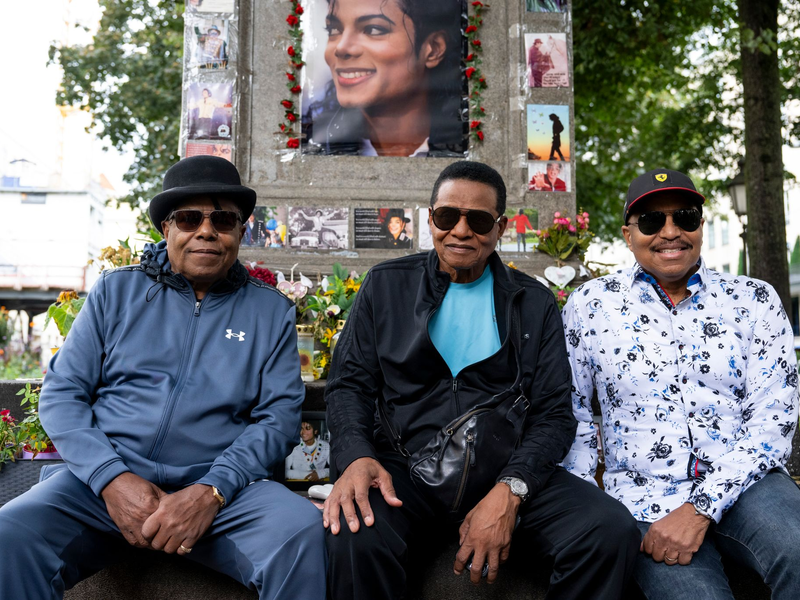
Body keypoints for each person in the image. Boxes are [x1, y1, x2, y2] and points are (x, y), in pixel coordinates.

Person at [0, 156, 326, 599]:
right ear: (166, 229)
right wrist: (111, 478)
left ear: (240, 232)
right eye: (189, 218)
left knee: (301, 534)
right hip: (98, 491)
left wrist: (212, 490)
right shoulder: (117, 291)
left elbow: (278, 419)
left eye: (223, 220)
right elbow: (62, 393)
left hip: (220, 495)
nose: (206, 231)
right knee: (11, 535)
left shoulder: (269, 311)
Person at [324, 161, 639, 599]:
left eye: (478, 220)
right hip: (404, 470)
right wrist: (356, 457)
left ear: (500, 227)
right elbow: (349, 386)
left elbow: (553, 415)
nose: (460, 231)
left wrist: (510, 491)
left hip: (501, 470)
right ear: (429, 217)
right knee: (355, 531)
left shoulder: (533, 301)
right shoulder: (385, 285)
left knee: (609, 531)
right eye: (447, 216)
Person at [561, 168, 800, 600]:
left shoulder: (755, 299)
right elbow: (573, 411)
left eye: (685, 217)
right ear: (628, 233)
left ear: (701, 226)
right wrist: (584, 510)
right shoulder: (589, 305)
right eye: (652, 221)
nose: (670, 232)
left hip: (748, 483)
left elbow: (774, 418)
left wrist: (701, 508)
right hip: (643, 498)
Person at [303, 0, 466, 157]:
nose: (341, 48)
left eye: (373, 29)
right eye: (333, 30)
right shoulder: (309, 145)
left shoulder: (469, 148)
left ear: (433, 49)